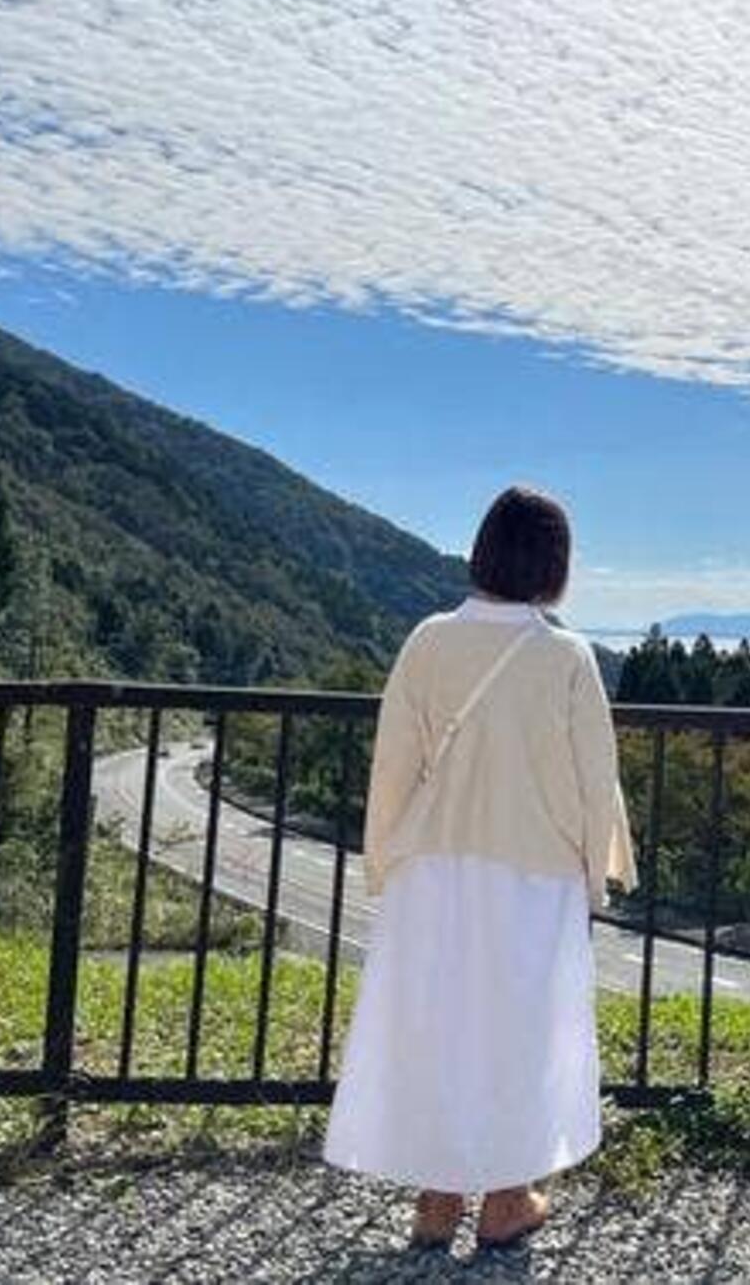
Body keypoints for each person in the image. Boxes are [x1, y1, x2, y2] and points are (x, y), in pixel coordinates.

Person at [324, 486, 636, 1254]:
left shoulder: (428, 640)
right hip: (534, 868)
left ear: (483, 551)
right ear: (555, 566)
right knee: (520, 1031)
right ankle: (506, 1197)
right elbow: (598, 778)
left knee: (436, 1020)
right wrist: (601, 872)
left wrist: (385, 856)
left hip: (432, 863)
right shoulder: (566, 656)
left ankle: (436, 1200)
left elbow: (395, 760)